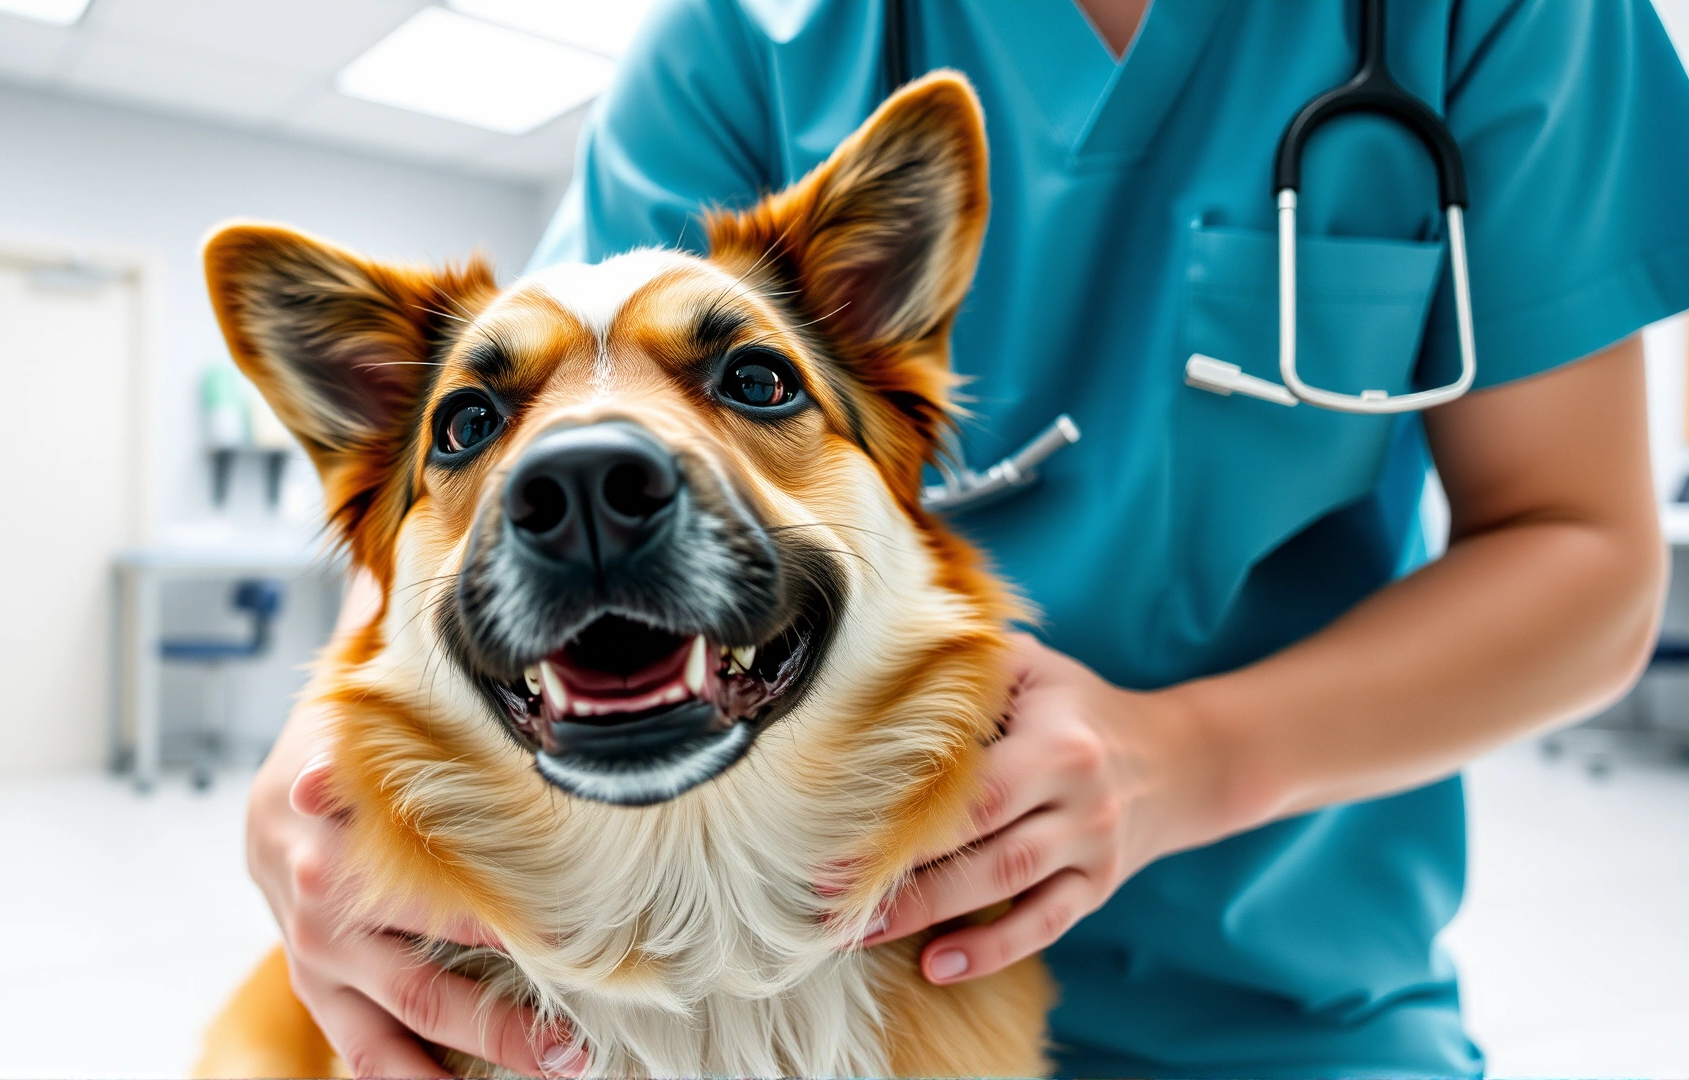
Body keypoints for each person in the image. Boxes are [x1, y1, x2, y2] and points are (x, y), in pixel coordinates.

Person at [245, 0, 1689, 1074]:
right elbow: (527, 497)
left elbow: (1579, 545)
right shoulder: (752, 35)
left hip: (1275, 999)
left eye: (751, 380)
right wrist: (323, 776)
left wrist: (1191, 757)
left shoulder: (1505, 16)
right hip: (760, 1007)